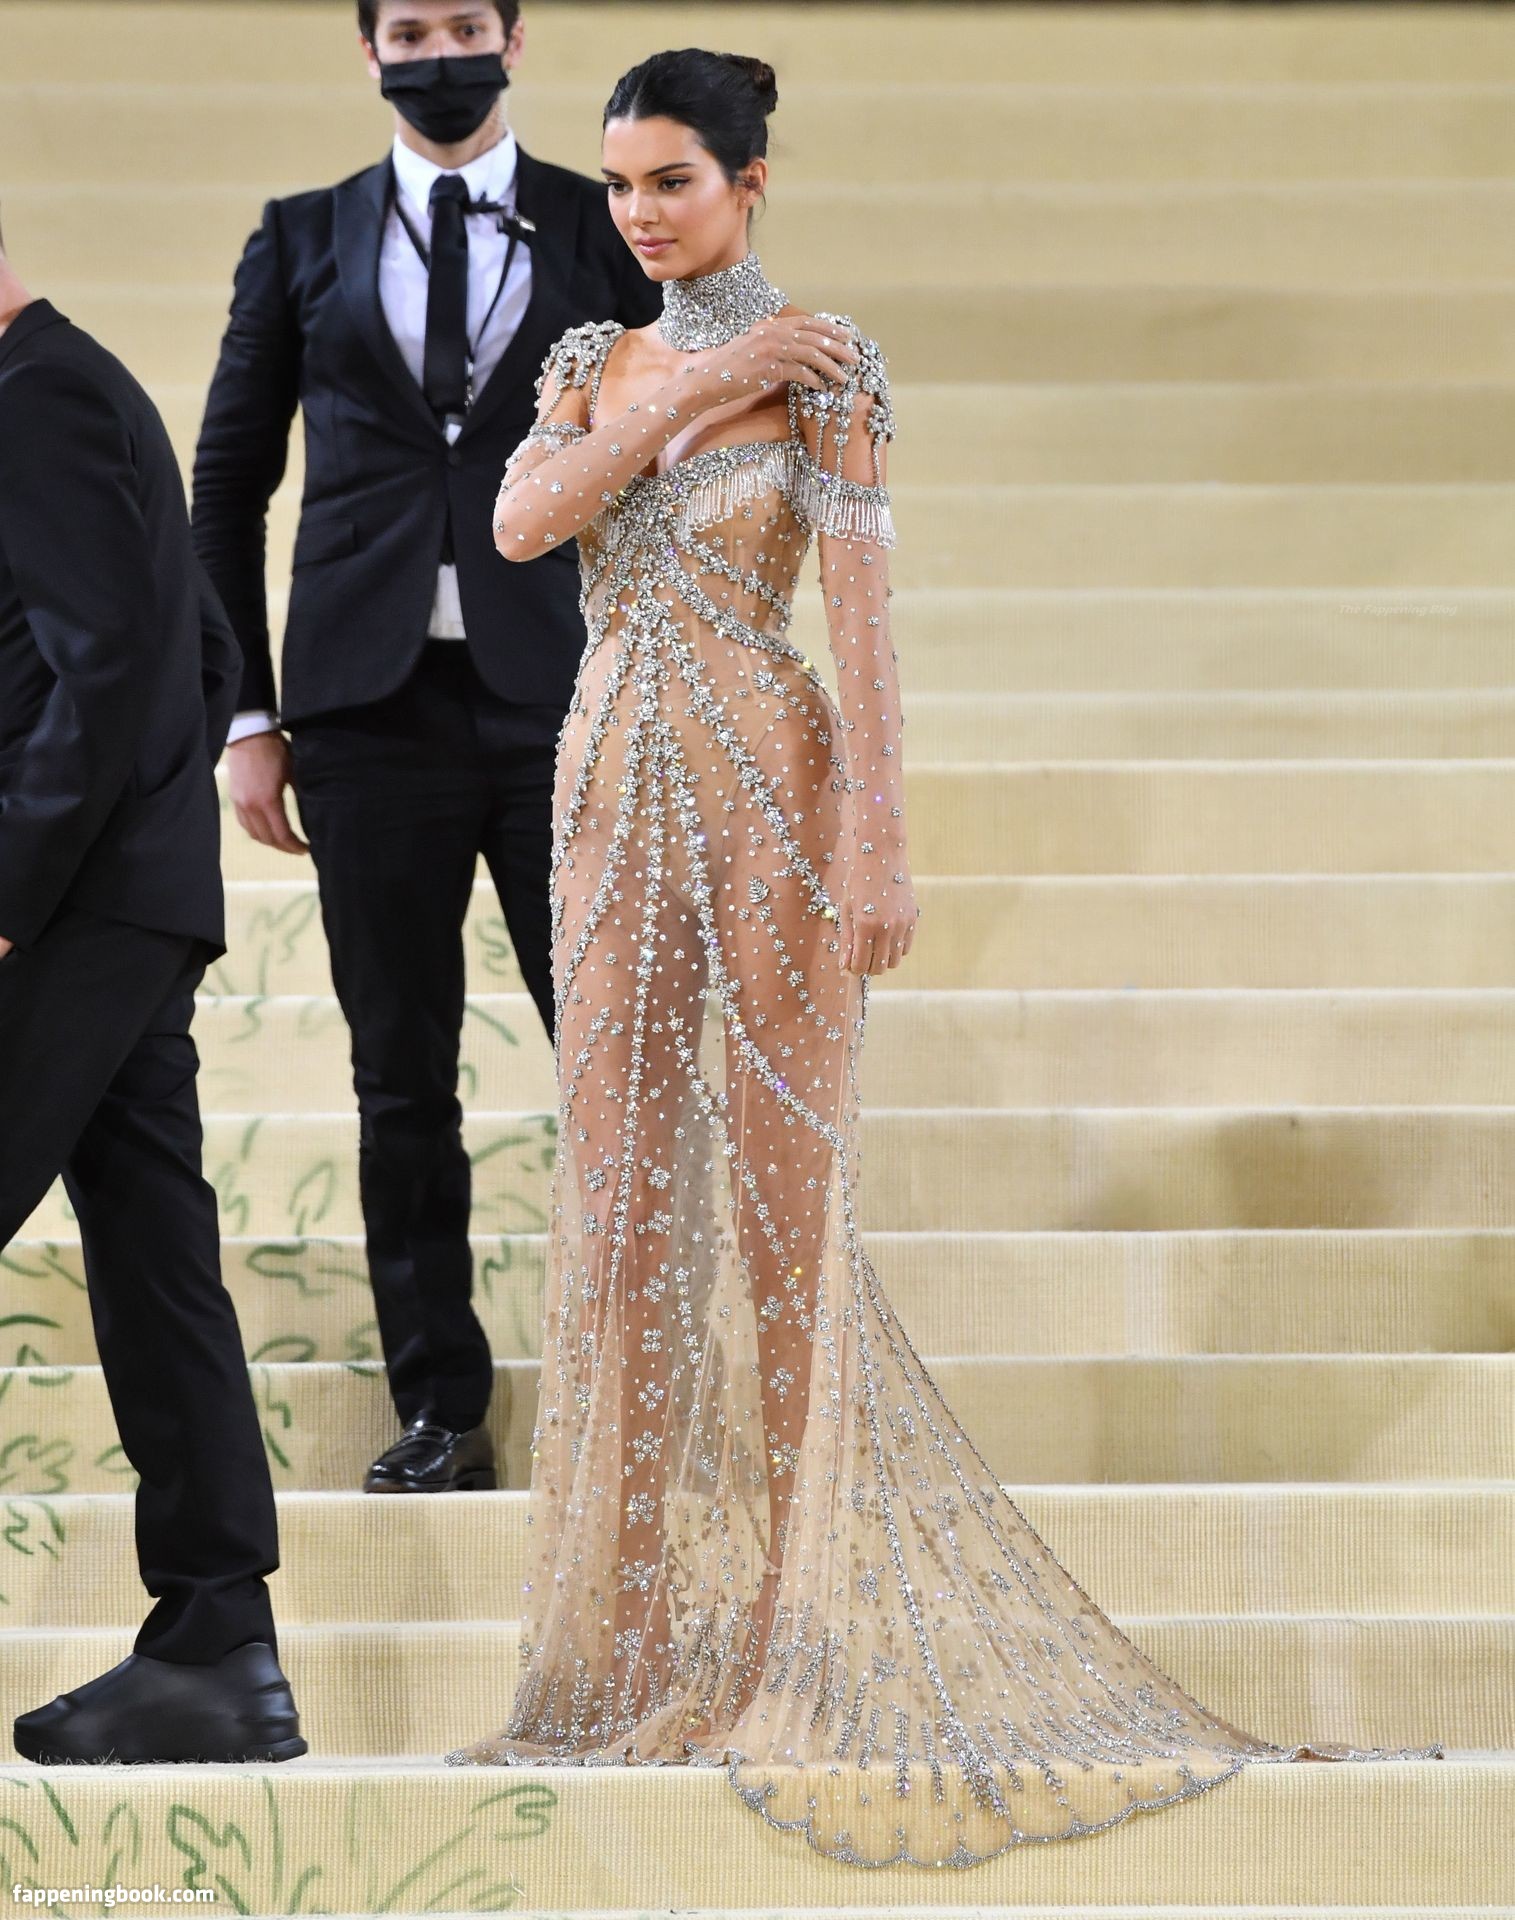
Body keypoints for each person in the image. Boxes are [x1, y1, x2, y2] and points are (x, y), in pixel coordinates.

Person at [442, 48, 1440, 1863]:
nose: (641, 213)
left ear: (750, 182)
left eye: (674, 180)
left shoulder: (832, 363)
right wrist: (702, 379)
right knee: (618, 1204)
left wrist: (879, 836)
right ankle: (622, 1651)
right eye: (621, 184)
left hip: (773, 781)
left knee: (779, 1207)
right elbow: (520, 524)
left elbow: (866, 620)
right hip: (604, 786)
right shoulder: (597, 360)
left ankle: (789, 1648)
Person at [192, 0, 663, 1497]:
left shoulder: (599, 221)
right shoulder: (301, 235)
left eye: (466, 23)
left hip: (558, 700)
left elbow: (674, 460)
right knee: (401, 1076)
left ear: (514, 41)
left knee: (613, 1055)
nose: (437, 50)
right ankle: (442, 1408)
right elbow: (227, 485)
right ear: (371, 52)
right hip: (363, 713)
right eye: (410, 28)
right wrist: (247, 714)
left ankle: (640, 1383)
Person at [0, 230, 303, 1765]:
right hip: (118, 900)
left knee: (155, 1256)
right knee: (152, 1255)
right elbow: (193, 646)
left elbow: (113, 668)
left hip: (67, 906)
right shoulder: (71, 384)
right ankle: (216, 1641)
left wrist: (14, 890)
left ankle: (219, 1640)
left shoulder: (36, 397)